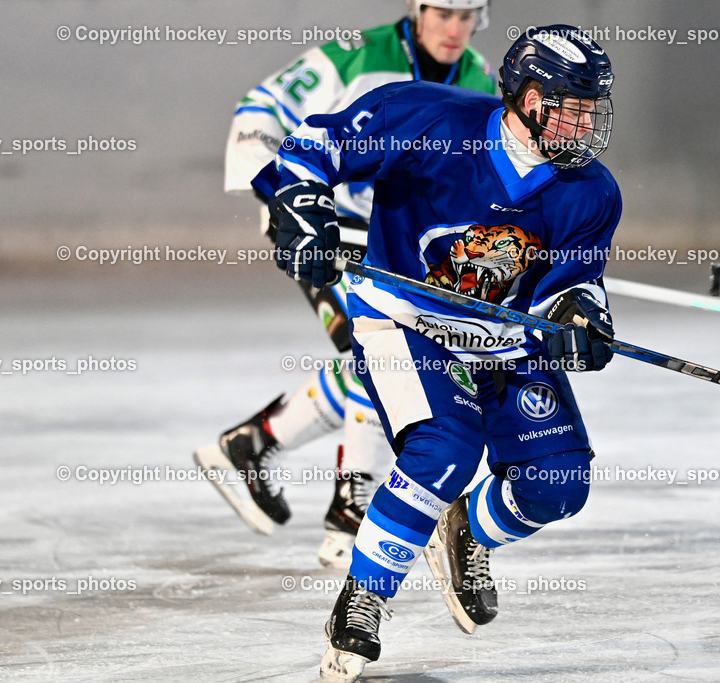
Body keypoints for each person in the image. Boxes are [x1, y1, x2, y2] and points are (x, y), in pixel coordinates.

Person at [252, 25, 619, 681]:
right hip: (405, 321)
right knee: (446, 448)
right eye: (571, 106)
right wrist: (303, 203)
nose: (583, 123)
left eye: (591, 110)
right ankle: (361, 599)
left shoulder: (592, 191)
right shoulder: (426, 117)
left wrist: (582, 316)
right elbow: (316, 142)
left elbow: (574, 282)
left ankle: (468, 530)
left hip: (501, 337)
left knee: (557, 485)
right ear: (527, 97)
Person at [194, 0, 498, 568]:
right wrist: (288, 198)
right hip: (328, 227)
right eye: (444, 13)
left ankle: (252, 445)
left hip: (401, 246)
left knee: (384, 352)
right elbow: (262, 107)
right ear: (417, 8)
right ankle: (349, 513)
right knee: (379, 348)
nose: (455, 28)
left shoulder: (480, 78)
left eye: (469, 15)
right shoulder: (357, 56)